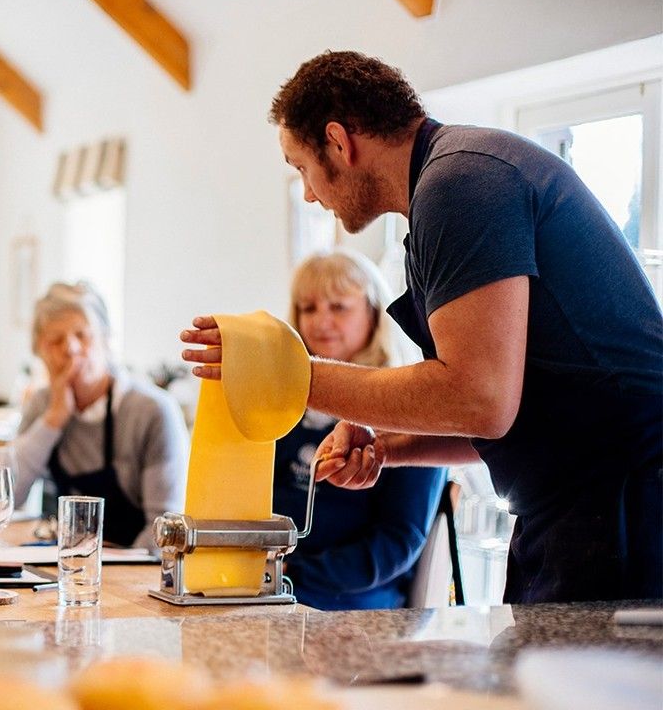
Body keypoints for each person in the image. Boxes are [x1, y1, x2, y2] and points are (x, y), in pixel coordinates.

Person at [182, 50, 662, 604]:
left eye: (301, 169)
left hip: (628, 509)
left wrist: (286, 375)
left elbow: (480, 397)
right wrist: (389, 445)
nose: (310, 194)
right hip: (574, 510)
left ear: (339, 142)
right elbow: (504, 409)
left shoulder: (461, 183)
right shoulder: (448, 190)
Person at [275, 249, 445, 609]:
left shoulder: (409, 404)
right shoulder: (280, 406)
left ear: (373, 313)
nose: (321, 321)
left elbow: (399, 540)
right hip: (273, 585)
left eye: (338, 307)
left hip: (353, 598)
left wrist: (293, 572)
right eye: (308, 308)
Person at [13, 282, 188, 552]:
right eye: (56, 340)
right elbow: (7, 497)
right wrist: (53, 419)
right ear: (40, 351)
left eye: (82, 335)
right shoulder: (41, 405)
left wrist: (104, 574)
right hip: (71, 570)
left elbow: (166, 531)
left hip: (135, 574)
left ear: (106, 339)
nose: (70, 348)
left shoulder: (153, 411)